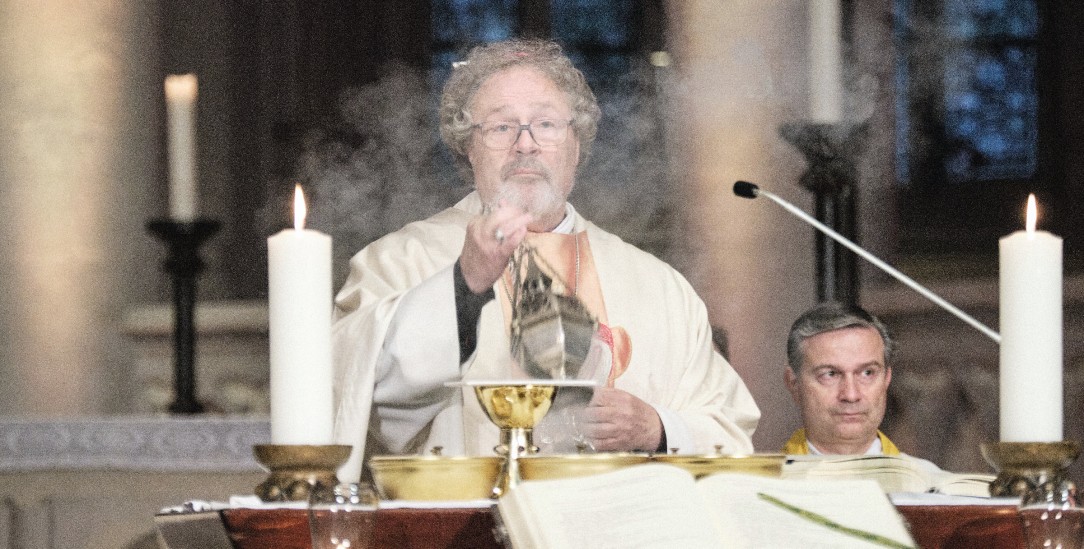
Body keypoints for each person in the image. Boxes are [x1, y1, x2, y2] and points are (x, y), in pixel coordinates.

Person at [331, 38, 760, 481]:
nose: (526, 144)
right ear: (467, 149)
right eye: (501, 128)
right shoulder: (401, 260)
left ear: (577, 146)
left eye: (547, 125)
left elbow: (730, 431)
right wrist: (464, 285)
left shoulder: (658, 285)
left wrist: (657, 428)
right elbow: (359, 399)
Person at [781, 301, 901, 455]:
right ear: (793, 383)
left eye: (867, 373)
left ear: (887, 379)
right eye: (830, 374)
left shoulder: (931, 479)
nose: (851, 395)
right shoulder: (757, 480)